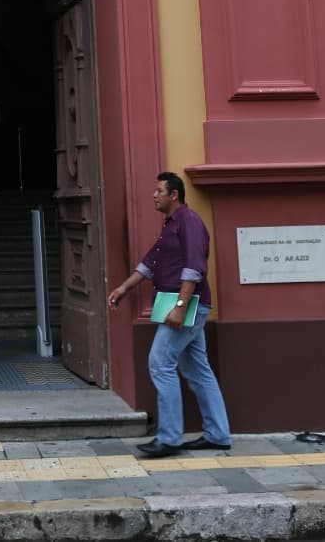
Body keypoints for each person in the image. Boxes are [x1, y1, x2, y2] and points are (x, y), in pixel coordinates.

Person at [107, 171, 232, 459]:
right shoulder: (170, 226)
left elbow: (194, 267)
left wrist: (179, 307)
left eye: (159, 190)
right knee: (197, 369)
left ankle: (170, 438)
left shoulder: (189, 222)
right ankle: (218, 434)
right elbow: (150, 263)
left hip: (188, 304)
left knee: (160, 362)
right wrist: (123, 288)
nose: (154, 195)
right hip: (184, 303)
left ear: (174, 194)